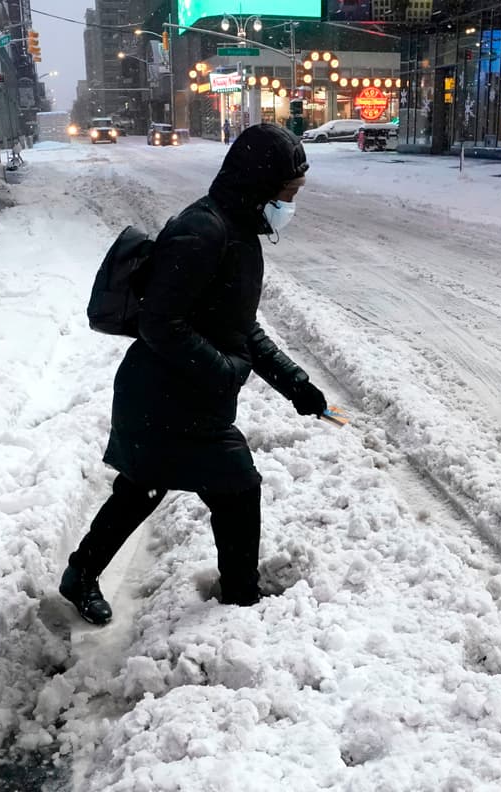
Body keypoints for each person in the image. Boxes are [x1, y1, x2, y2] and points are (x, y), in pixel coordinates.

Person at [60, 124, 327, 625]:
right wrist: (223, 371)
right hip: (163, 398)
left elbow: (239, 325)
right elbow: (160, 321)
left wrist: (295, 383)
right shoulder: (203, 230)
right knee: (236, 488)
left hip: (183, 393)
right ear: (261, 182)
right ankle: (241, 602)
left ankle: (81, 574)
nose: (290, 204)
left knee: (143, 488)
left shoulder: (238, 230)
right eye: (288, 193)